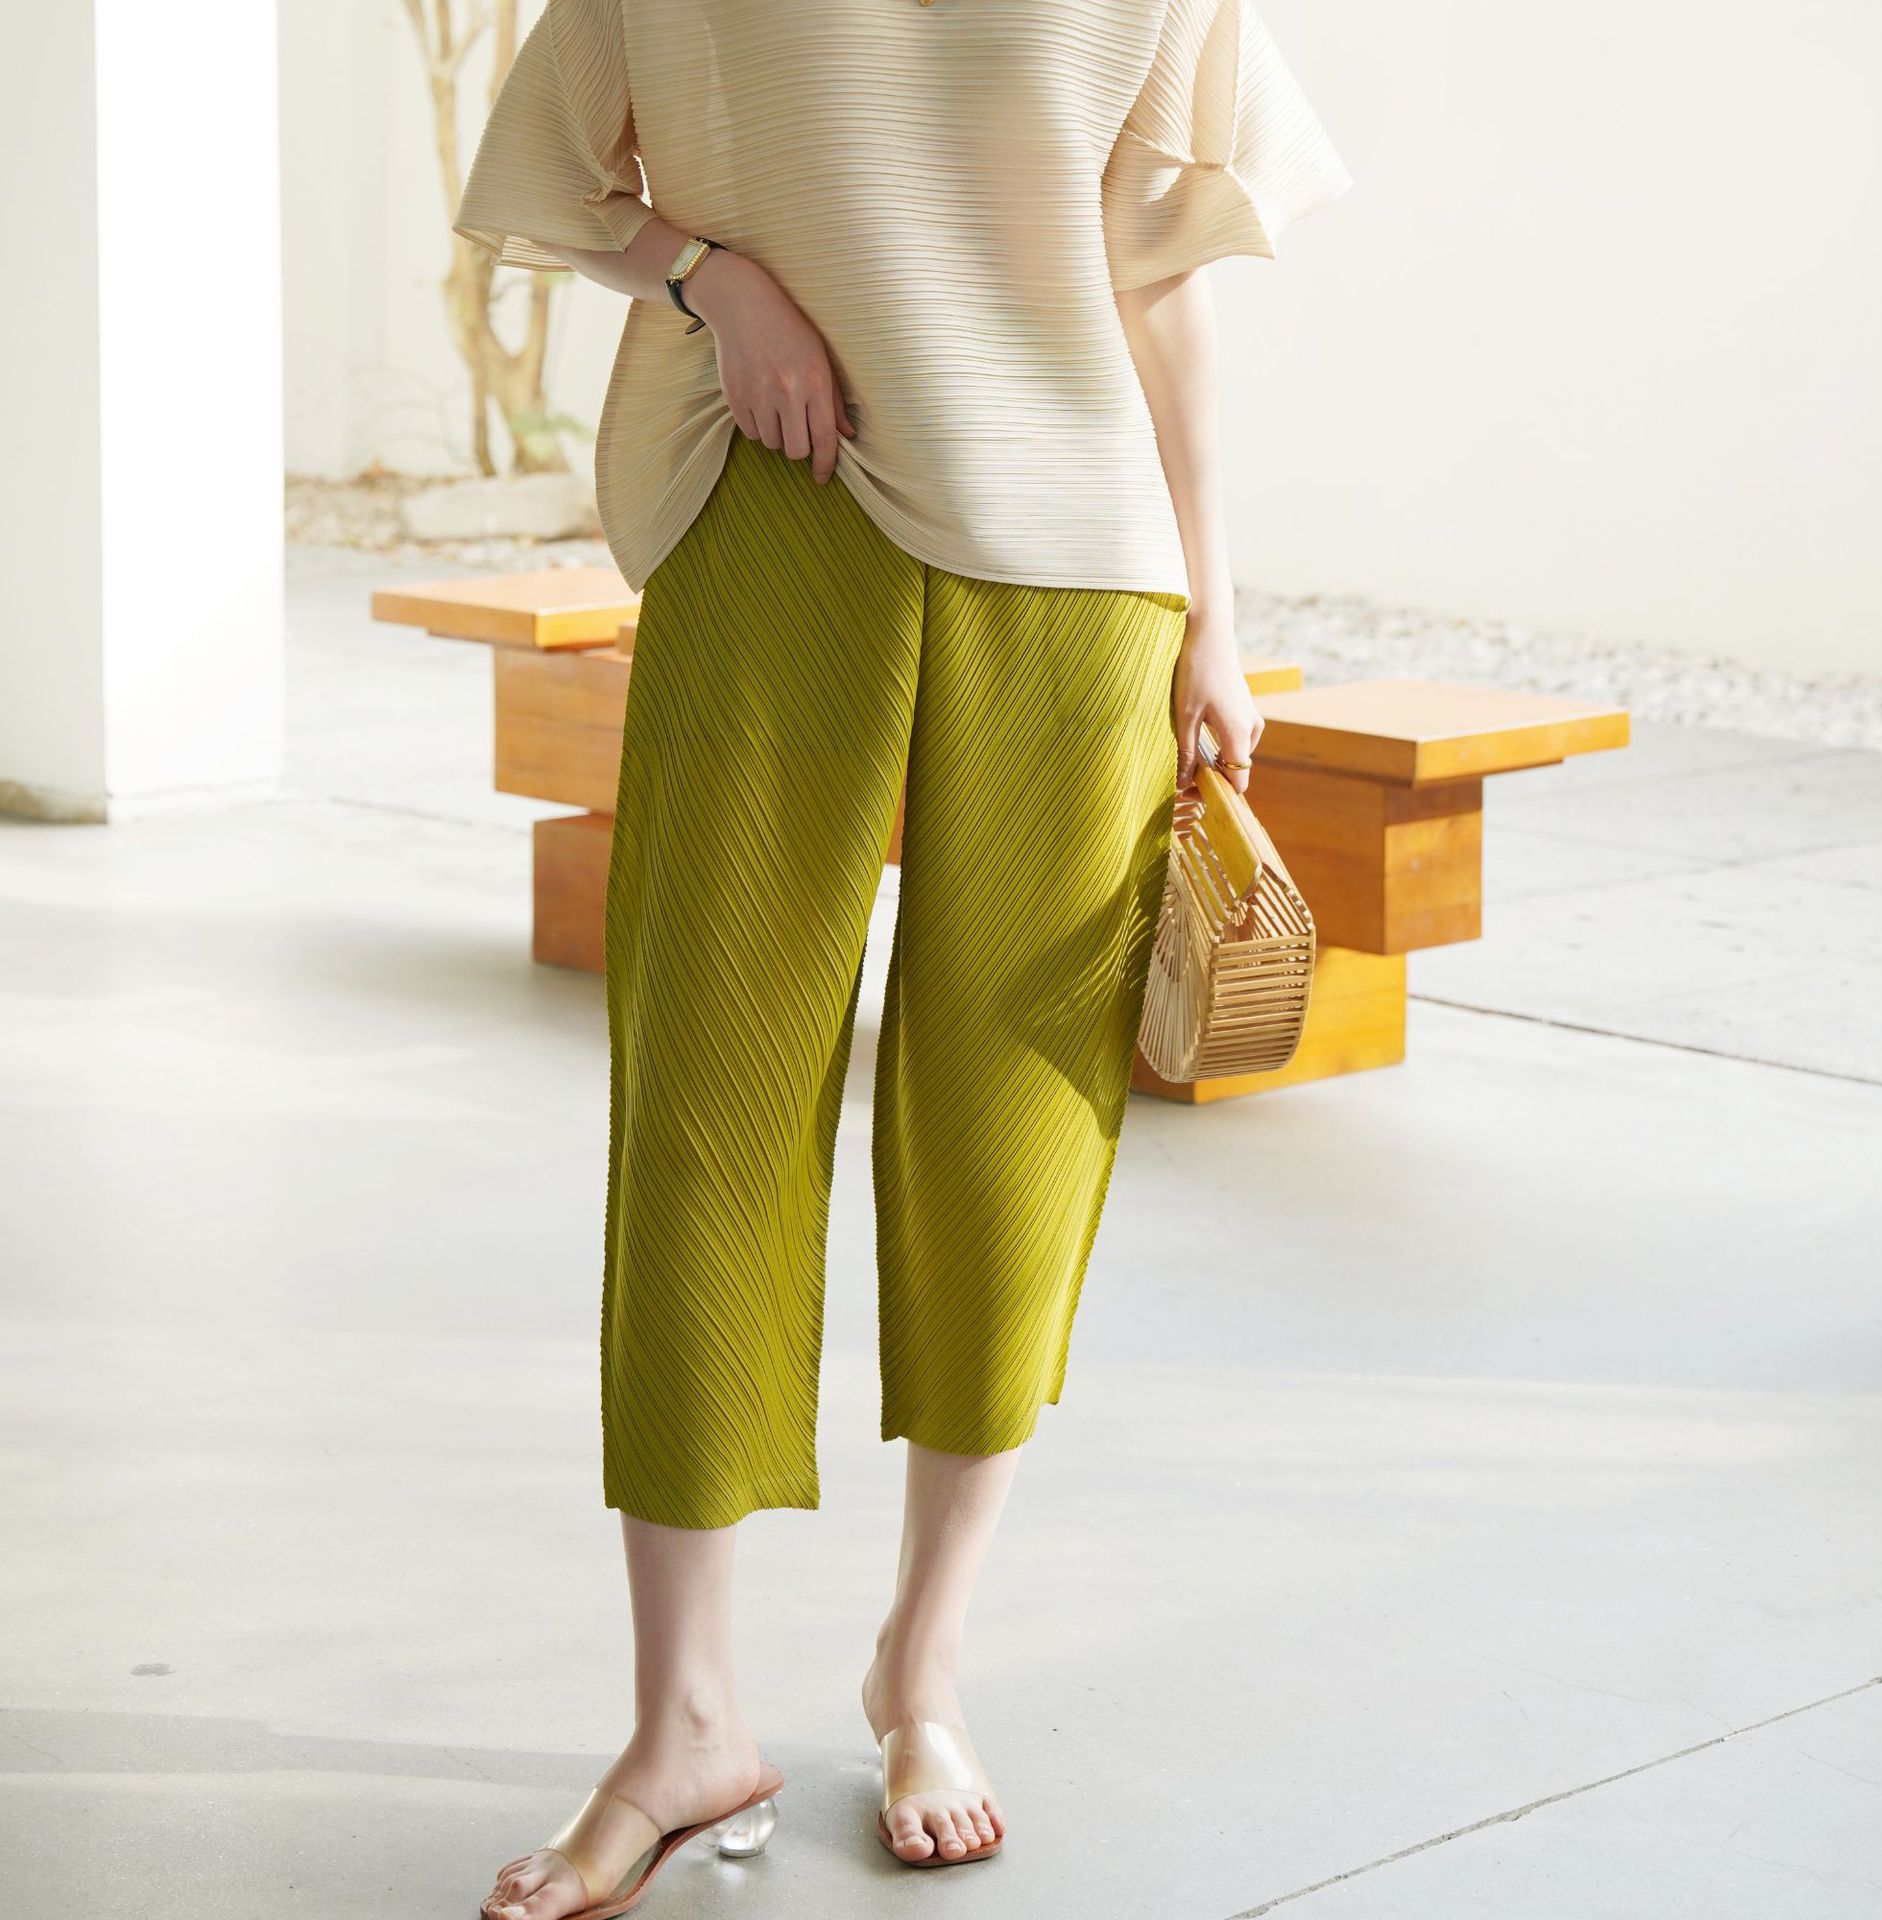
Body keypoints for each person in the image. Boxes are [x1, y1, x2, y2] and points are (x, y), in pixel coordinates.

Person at [452, 1, 1348, 1912]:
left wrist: (1217, 611)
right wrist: (709, 277)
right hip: (773, 502)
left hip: (1081, 563)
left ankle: (923, 1671)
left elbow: (1162, 277)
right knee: (704, 1110)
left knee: (1008, 1144)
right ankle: (683, 1723)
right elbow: (547, 171)